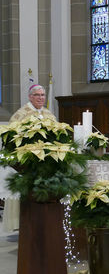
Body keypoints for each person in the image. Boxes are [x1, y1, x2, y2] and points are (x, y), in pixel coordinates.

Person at [3, 84, 56, 232]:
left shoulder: (49, 114)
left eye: (43, 95)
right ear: (30, 97)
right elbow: (12, 139)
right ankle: (24, 223)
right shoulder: (20, 115)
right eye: (37, 95)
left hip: (47, 161)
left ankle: (45, 220)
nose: (41, 98)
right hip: (27, 163)